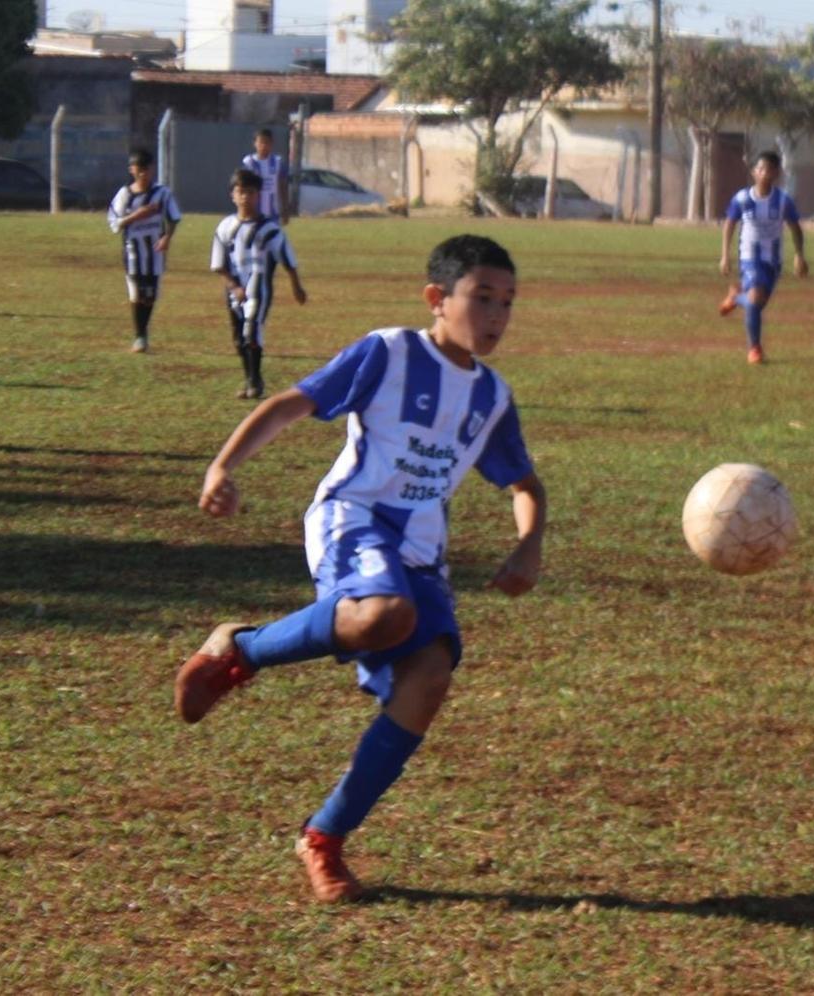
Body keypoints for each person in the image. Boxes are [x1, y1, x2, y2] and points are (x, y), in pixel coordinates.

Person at [175, 234, 546, 903]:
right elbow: (294, 402)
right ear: (437, 299)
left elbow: (524, 485)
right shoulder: (390, 352)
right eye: (482, 297)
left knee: (429, 678)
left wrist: (529, 544)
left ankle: (324, 837)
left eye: (507, 303)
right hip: (353, 517)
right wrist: (223, 465)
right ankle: (245, 653)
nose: (496, 314)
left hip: (421, 553)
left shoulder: (492, 395)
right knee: (384, 614)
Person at [210, 168, 306, 399]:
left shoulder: (270, 230)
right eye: (240, 192)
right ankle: (250, 378)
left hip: (259, 288)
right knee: (238, 336)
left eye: (250, 192)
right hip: (235, 288)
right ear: (232, 195)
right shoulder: (225, 228)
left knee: (252, 331)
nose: (245, 197)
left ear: (258, 195)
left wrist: (297, 286)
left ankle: (255, 382)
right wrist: (234, 287)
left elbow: (288, 260)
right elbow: (219, 265)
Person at [718, 149, 808, 364]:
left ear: (776, 173)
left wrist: (799, 256)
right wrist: (725, 255)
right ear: (753, 172)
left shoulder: (783, 200)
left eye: (769, 169)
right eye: (760, 169)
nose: (764, 173)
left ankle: (734, 298)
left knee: (756, 303)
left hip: (773, 261)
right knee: (756, 299)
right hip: (750, 257)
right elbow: (729, 224)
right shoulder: (742, 199)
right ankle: (754, 349)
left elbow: (795, 228)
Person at [106, 148, 182, 353]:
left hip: (155, 253)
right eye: (138, 170)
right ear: (132, 170)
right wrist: (136, 216)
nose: (143, 174)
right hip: (133, 252)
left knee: (150, 295)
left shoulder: (162, 193)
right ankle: (140, 335)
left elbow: (174, 217)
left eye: (146, 170)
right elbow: (114, 223)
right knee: (137, 293)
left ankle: (143, 332)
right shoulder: (125, 195)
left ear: (152, 170)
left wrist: (167, 237)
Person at [241, 127, 290, 223]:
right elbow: (243, 187)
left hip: (273, 213)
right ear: (255, 143)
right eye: (260, 142)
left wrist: (285, 209)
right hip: (253, 212)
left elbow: (283, 187)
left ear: (271, 144)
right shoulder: (249, 162)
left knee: (272, 237)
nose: (263, 145)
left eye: (266, 142)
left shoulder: (277, 162)